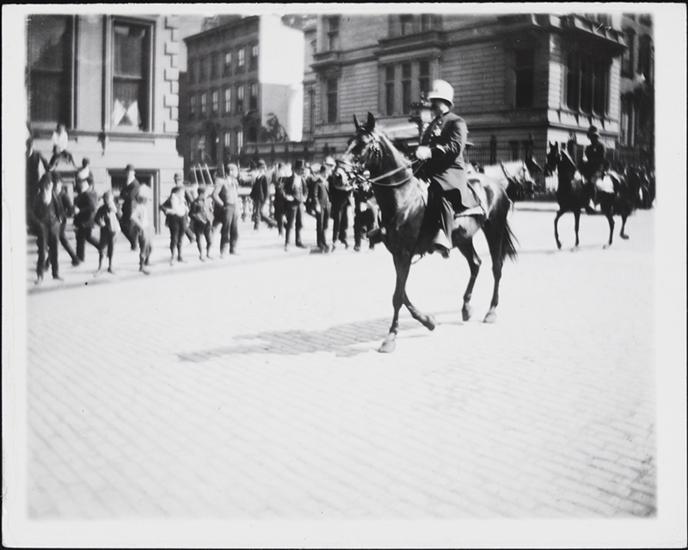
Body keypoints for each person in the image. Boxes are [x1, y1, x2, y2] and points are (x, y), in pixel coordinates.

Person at [415, 79, 483, 256]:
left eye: (435, 101)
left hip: (450, 170)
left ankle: (444, 236)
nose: (431, 105)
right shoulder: (432, 124)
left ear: (444, 101)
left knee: (437, 189)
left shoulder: (456, 121)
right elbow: (424, 146)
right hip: (431, 169)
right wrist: (418, 155)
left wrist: (431, 152)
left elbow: (455, 147)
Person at [32, 174, 63, 284]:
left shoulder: (54, 195)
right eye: (48, 183)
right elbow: (33, 213)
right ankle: (40, 276)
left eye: (51, 183)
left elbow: (60, 209)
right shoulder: (38, 197)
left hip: (54, 226)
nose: (49, 185)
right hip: (43, 228)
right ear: (43, 184)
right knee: (42, 252)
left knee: (55, 251)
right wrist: (39, 224)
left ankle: (55, 273)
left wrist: (59, 220)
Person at [212, 163, 240, 256]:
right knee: (226, 229)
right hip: (226, 207)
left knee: (234, 229)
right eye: (236, 171)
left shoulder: (235, 182)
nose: (237, 173)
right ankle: (223, 250)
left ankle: (233, 248)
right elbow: (214, 195)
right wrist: (222, 205)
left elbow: (236, 194)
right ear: (230, 171)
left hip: (234, 206)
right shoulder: (221, 182)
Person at [53, 174, 80, 267]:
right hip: (54, 221)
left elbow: (70, 209)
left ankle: (47, 264)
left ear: (61, 184)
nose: (56, 186)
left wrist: (63, 215)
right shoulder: (53, 194)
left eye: (57, 184)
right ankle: (75, 258)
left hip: (61, 221)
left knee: (55, 240)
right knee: (62, 240)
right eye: (54, 184)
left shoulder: (64, 195)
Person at [280, 159, 308, 251]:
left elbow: (306, 190)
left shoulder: (302, 179)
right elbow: (282, 190)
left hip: (300, 204)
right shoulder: (289, 179)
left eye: (303, 169)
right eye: (301, 169)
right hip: (292, 204)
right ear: (296, 170)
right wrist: (287, 197)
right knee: (290, 224)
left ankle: (298, 242)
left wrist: (304, 197)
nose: (303, 171)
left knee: (300, 223)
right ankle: (287, 243)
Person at [73, 177, 100, 263]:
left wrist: (79, 210)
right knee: (87, 237)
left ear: (89, 185)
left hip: (86, 220)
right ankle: (101, 247)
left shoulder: (87, 194)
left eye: (84, 184)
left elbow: (92, 207)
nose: (82, 185)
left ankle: (80, 257)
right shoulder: (86, 193)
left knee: (80, 238)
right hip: (85, 220)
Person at [329, 161, 353, 251]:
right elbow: (337, 186)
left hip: (344, 201)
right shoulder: (337, 173)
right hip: (338, 201)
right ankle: (335, 240)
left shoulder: (345, 173)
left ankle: (343, 238)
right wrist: (349, 188)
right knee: (337, 221)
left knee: (344, 221)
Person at [162, 185, 189, 264]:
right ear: (177, 192)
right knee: (174, 238)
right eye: (182, 192)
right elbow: (162, 207)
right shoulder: (171, 199)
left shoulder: (183, 199)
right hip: (174, 220)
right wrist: (169, 211)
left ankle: (180, 256)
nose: (183, 193)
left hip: (182, 219)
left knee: (181, 238)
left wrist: (187, 218)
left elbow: (185, 209)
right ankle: (173, 256)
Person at [130, 184, 153, 275]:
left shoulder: (144, 207)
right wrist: (141, 226)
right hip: (142, 230)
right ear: (142, 199)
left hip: (147, 228)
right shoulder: (138, 207)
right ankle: (141, 266)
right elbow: (133, 217)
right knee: (143, 248)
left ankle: (146, 261)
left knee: (150, 247)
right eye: (146, 199)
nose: (148, 200)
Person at [94, 191, 119, 274]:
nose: (107, 200)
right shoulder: (101, 209)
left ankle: (110, 266)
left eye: (109, 199)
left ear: (112, 199)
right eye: (106, 198)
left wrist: (115, 210)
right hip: (104, 231)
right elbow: (96, 218)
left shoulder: (114, 208)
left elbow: (120, 216)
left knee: (111, 248)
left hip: (113, 231)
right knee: (102, 249)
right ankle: (100, 267)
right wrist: (100, 222)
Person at [582, 125, 606, 212]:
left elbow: (602, 160)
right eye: (591, 137)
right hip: (589, 171)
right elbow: (586, 158)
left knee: (592, 183)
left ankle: (593, 202)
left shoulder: (601, 146)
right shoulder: (588, 148)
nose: (593, 139)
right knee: (581, 182)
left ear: (597, 137)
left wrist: (597, 169)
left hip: (598, 170)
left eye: (594, 137)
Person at [26, 137, 49, 219]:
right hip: (27, 180)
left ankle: (34, 216)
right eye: (28, 145)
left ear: (33, 145)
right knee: (28, 198)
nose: (30, 146)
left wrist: (48, 169)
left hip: (35, 180)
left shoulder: (37, 154)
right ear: (26, 145)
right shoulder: (24, 155)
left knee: (34, 198)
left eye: (31, 144)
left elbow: (46, 165)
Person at [189, 185, 214, 261]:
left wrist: (211, 216)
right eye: (206, 193)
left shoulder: (208, 201)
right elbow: (191, 214)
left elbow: (210, 210)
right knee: (199, 240)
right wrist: (199, 218)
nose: (207, 194)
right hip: (199, 224)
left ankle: (208, 254)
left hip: (207, 223)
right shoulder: (195, 203)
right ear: (201, 193)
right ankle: (201, 255)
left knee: (210, 241)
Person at [249, 159, 275, 230]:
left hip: (261, 198)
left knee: (258, 213)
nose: (260, 170)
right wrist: (252, 195)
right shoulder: (258, 177)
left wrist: (265, 199)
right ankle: (272, 223)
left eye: (261, 168)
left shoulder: (264, 177)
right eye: (259, 168)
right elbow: (255, 188)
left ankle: (256, 227)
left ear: (263, 168)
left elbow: (267, 190)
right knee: (260, 213)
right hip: (257, 197)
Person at [119, 164, 141, 250]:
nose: (128, 173)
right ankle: (133, 242)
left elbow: (131, 196)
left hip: (132, 207)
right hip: (126, 207)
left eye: (129, 172)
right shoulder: (126, 182)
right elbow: (122, 194)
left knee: (131, 226)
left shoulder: (136, 183)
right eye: (127, 172)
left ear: (133, 172)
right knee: (122, 225)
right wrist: (125, 195)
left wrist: (124, 195)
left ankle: (134, 244)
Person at [312, 164, 331, 253]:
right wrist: (317, 205)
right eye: (327, 172)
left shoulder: (326, 182)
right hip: (320, 206)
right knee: (320, 225)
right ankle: (320, 243)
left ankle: (324, 241)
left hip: (327, 205)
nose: (328, 174)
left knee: (325, 225)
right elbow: (315, 195)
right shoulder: (318, 182)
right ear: (323, 172)